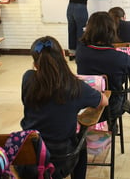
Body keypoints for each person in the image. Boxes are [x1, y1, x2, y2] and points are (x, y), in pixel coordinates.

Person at [20, 36, 108, 179]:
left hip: (29, 153)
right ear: (63, 56)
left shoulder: (28, 78)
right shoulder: (75, 86)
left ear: (35, 64)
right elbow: (103, 101)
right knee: (81, 142)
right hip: (60, 159)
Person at [76, 11, 130, 122]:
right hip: (111, 107)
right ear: (112, 31)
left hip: (85, 102)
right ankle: (123, 106)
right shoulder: (119, 57)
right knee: (118, 91)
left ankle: (125, 104)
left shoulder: (80, 51)